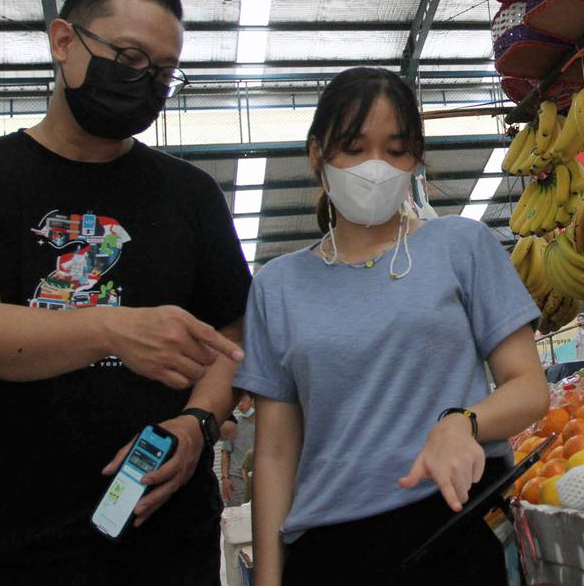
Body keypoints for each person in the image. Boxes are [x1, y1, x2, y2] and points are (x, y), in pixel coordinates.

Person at [0, 0, 252, 585]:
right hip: (6, 546)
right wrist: (109, 330)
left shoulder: (191, 195)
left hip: (165, 544)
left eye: (162, 73)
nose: (143, 82)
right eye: (128, 57)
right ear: (63, 41)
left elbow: (234, 332)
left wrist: (198, 423)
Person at [234, 68, 549, 586]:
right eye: (353, 149)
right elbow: (274, 450)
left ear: (416, 160)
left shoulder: (462, 247)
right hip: (328, 551)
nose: (374, 167)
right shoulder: (278, 285)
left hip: (449, 530)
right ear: (317, 153)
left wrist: (462, 423)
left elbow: (529, 388)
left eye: (396, 150)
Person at [221, 393, 256, 506]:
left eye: (243, 401)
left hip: (258, 478)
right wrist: (225, 478)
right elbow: (225, 453)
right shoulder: (234, 425)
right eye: (237, 402)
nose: (239, 405)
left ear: (252, 401)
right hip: (237, 479)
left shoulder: (264, 425)